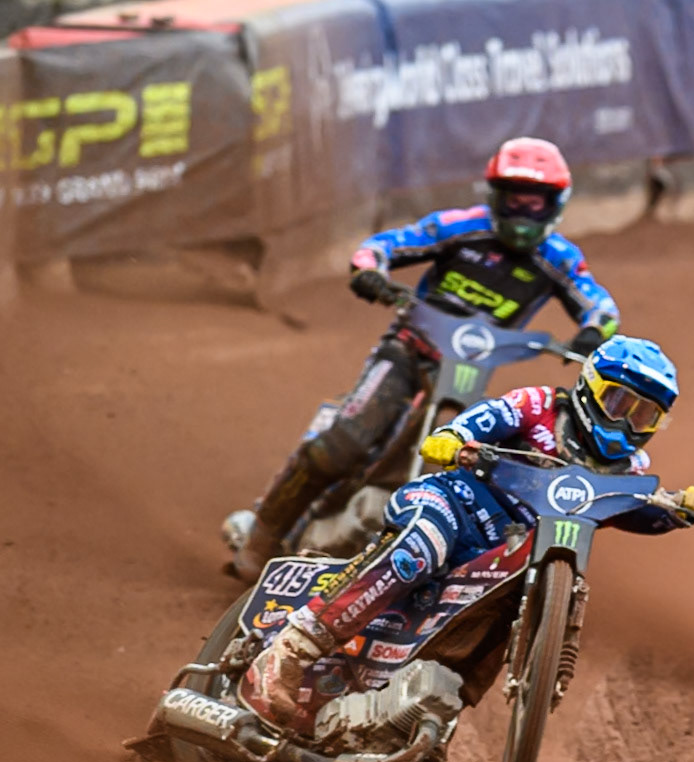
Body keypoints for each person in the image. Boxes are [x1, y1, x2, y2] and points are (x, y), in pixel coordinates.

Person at [239, 336, 694, 726]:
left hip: (506, 554)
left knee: (509, 609)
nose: (626, 423)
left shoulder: (630, 466)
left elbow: (630, 510)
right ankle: (287, 653)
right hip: (453, 504)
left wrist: (677, 510)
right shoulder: (537, 405)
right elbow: (482, 419)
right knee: (420, 550)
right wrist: (455, 439)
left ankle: (425, 712)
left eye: (643, 415)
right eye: (618, 402)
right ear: (590, 388)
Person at [229, 136, 621, 581]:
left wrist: (591, 333)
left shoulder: (560, 259)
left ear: (555, 204)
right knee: (345, 443)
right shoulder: (460, 225)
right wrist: (370, 273)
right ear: (495, 196)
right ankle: (261, 536)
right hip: (409, 349)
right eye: (513, 200)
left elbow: (602, 308)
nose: (522, 212)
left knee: (471, 466)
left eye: (534, 203)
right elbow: (385, 245)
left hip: (470, 372)